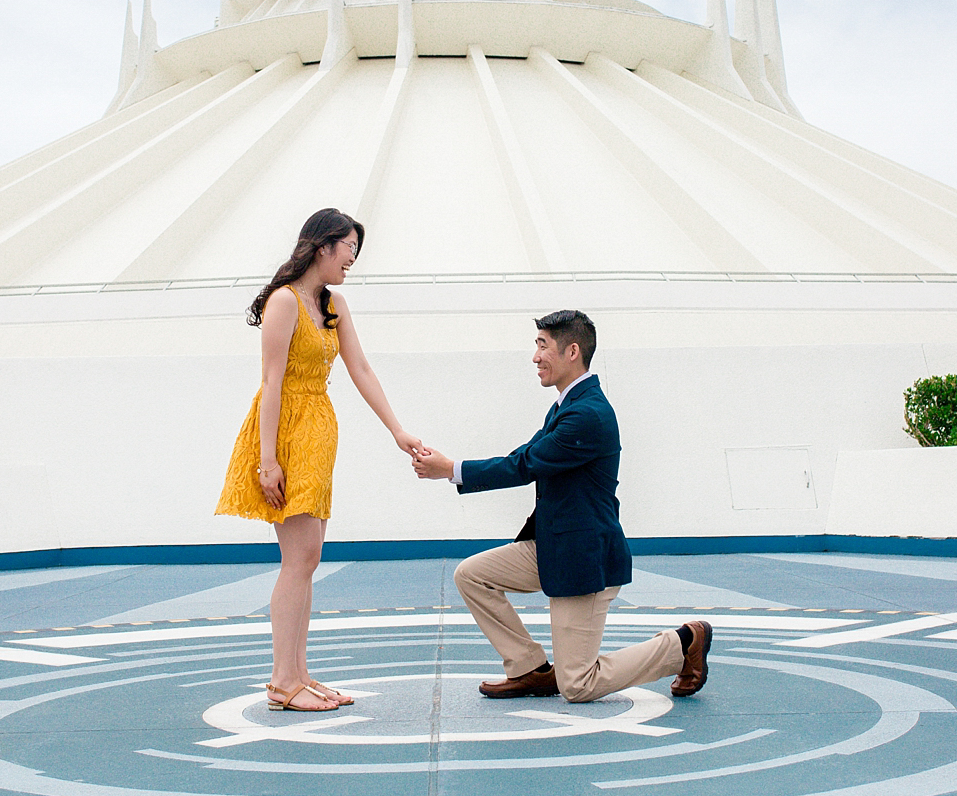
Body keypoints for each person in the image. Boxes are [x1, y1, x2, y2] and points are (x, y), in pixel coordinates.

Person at [411, 309, 711, 703]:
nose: (535, 356)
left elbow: (526, 464)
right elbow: (529, 453)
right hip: (554, 547)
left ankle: (683, 643)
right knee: (472, 575)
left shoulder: (588, 414)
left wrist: (451, 469)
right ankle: (530, 668)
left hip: (584, 559)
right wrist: (454, 469)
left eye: (542, 345)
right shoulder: (567, 405)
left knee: (578, 684)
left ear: (572, 351)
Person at [216, 207, 423, 712]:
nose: (352, 258)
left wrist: (398, 430)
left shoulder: (334, 304)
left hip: (318, 430)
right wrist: (267, 461)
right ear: (322, 245)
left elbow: (361, 369)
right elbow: (270, 382)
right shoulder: (284, 302)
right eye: (348, 246)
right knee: (298, 560)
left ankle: (299, 674)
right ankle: (282, 681)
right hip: (286, 429)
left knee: (307, 560)